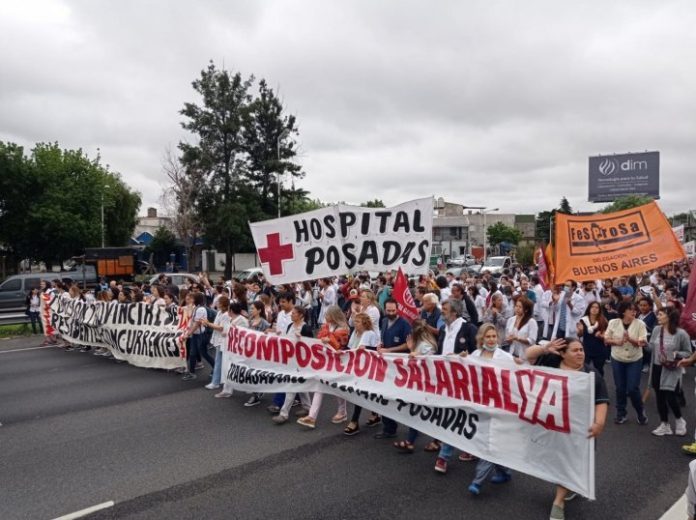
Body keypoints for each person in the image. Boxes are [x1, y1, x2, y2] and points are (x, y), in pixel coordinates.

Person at [526, 339, 609, 520]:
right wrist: (544, 348)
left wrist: (599, 423)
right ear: (563, 354)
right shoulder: (551, 363)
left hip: (579, 430)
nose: (580, 353)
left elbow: (601, 401)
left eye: (582, 349)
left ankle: (558, 502)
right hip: (552, 427)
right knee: (558, 460)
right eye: (575, 350)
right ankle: (572, 484)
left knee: (572, 460)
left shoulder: (591, 374)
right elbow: (528, 356)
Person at [466, 323, 515, 495]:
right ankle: (504, 472)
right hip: (479, 405)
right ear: (482, 338)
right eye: (488, 336)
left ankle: (477, 481)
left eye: (494, 336)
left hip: (498, 406)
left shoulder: (505, 357)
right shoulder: (475, 355)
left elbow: (516, 378)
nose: (492, 339)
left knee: (489, 442)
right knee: (485, 440)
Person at [297, 306, 350, 429]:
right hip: (325, 360)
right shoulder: (326, 326)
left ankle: (342, 412)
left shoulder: (343, 328)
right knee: (319, 387)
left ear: (334, 316)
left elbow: (341, 345)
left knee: (337, 389)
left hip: (338, 362)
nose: (325, 316)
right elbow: (319, 338)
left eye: (328, 314)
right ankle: (312, 417)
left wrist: (329, 339)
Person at [393, 320, 438, 453]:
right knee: (417, 412)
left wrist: (413, 351)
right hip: (421, 384)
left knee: (420, 413)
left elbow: (427, 361)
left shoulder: (425, 345)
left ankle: (416, 441)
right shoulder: (425, 344)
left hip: (426, 384)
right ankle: (411, 441)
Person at [648, 308, 691, 436]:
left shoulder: (681, 334)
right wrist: (644, 344)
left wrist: (675, 354)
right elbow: (651, 348)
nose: (658, 317)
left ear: (669, 316)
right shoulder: (656, 330)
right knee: (659, 397)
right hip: (657, 366)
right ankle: (664, 424)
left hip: (671, 368)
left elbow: (688, 353)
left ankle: (679, 420)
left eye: (660, 314)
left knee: (670, 396)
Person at [604, 301, 648, 425]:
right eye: (631, 309)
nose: (634, 312)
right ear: (623, 311)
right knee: (620, 387)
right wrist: (618, 342)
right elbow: (606, 339)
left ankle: (640, 412)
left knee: (633, 388)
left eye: (635, 310)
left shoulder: (640, 324)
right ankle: (621, 413)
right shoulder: (614, 322)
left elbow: (643, 342)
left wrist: (630, 339)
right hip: (617, 358)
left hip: (635, 359)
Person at [374, 300, 412, 438]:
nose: (390, 313)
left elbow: (408, 345)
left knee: (402, 399)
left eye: (393, 311)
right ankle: (389, 427)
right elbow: (384, 338)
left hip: (400, 368)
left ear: (397, 309)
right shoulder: (384, 321)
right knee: (385, 395)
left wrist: (389, 350)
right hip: (386, 366)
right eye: (388, 310)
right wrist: (381, 346)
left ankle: (413, 430)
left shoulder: (404, 325)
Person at [272, 305, 314, 424]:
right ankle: (307, 407)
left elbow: (312, 346)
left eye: (294, 313)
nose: (291, 315)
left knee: (291, 386)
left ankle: (284, 413)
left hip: (301, 362)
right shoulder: (290, 326)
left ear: (301, 315)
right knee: (300, 384)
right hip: (290, 360)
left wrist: (302, 340)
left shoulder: (306, 328)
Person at [343, 313, 380, 436]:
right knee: (366, 393)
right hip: (355, 366)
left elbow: (375, 351)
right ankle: (375, 414)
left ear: (364, 323)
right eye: (355, 321)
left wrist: (366, 348)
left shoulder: (370, 334)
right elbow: (349, 348)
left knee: (359, 392)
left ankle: (354, 421)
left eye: (358, 321)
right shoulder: (355, 333)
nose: (355, 323)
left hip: (366, 368)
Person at [181, 292, 216, 381]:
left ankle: (216, 368)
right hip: (196, 334)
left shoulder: (200, 309)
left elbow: (197, 324)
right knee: (193, 353)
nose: (191, 300)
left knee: (203, 353)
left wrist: (188, 334)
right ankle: (192, 372)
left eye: (193, 298)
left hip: (200, 335)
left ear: (196, 299)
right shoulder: (197, 308)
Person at [201, 295, 231, 392]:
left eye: (219, 302)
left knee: (219, 361)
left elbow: (221, 327)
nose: (217, 303)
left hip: (223, 340)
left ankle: (215, 382)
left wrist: (208, 323)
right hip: (219, 339)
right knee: (221, 361)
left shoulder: (226, 314)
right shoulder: (219, 313)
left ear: (222, 304)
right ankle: (220, 381)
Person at [576, 301, 609, 376]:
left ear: (599, 310)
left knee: (599, 370)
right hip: (586, 349)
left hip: (600, 350)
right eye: (592, 307)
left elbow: (607, 336)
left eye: (597, 307)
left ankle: (598, 386)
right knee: (584, 369)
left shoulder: (603, 320)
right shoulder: (583, 320)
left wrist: (601, 336)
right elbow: (579, 335)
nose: (594, 309)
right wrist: (580, 330)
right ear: (589, 308)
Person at [505, 296, 537, 361]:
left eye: (520, 307)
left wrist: (518, 338)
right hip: (512, 354)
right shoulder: (511, 320)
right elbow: (507, 337)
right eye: (516, 306)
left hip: (525, 356)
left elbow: (532, 341)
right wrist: (509, 340)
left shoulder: (531, 322)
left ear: (526, 310)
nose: (517, 309)